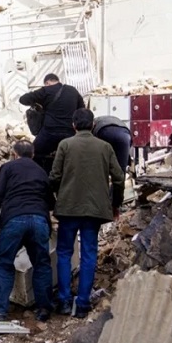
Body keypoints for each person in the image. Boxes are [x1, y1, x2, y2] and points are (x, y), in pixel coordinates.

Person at [50, 108, 124, 318]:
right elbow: (119, 178)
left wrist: (56, 198)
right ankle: (83, 304)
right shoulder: (105, 147)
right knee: (89, 254)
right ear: (93, 125)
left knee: (64, 253)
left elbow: (54, 176)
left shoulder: (65, 145)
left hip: (68, 209)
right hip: (94, 210)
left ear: (73, 125)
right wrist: (115, 203)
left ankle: (64, 301)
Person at [0, 140, 54, 322]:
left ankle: (0, 310)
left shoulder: (8, 168)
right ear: (32, 155)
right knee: (42, 264)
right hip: (39, 220)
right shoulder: (41, 171)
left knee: (4, 263)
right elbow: (51, 202)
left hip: (14, 219)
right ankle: (44, 309)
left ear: (14, 154)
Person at [19, 73, 84, 174]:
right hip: (70, 133)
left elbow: (23, 99)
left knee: (34, 153)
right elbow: (82, 109)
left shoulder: (45, 90)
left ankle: (39, 176)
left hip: (49, 132)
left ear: (47, 83)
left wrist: (37, 102)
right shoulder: (72, 90)